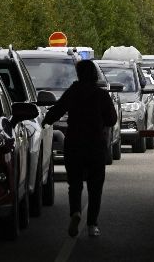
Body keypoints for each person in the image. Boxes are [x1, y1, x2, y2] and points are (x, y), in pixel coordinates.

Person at [44, 60, 118, 238]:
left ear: (78, 74)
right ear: (94, 74)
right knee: (95, 187)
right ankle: (92, 224)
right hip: (95, 146)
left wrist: (45, 120)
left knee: (75, 184)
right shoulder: (101, 95)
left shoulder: (73, 92)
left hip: (74, 144)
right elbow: (112, 119)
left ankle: (76, 212)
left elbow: (57, 110)